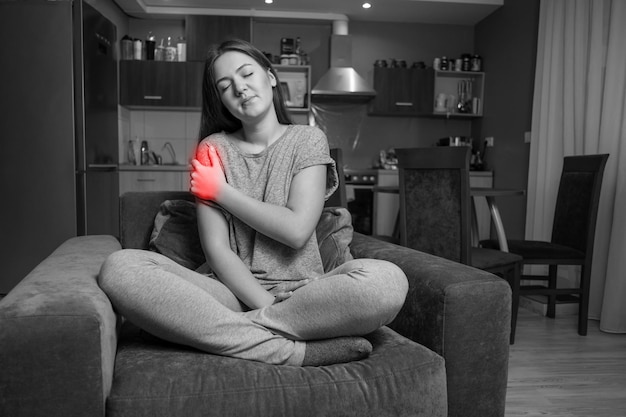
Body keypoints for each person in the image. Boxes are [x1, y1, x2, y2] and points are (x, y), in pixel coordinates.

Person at [98, 39, 408, 367]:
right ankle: (291, 351)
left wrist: (221, 191)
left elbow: (297, 230)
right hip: (227, 294)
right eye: (226, 86)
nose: (240, 88)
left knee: (387, 281)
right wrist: (264, 302)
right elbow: (218, 251)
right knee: (120, 268)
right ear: (220, 100)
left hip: (306, 294)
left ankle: (223, 332)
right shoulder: (212, 149)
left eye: (247, 74)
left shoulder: (308, 139)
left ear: (271, 77)